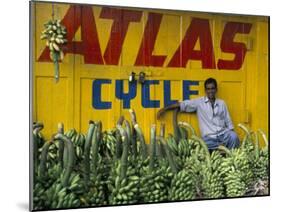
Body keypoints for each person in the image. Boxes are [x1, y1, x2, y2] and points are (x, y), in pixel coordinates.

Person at [157, 78, 240, 150]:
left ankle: (229, 158)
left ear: (216, 89)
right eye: (208, 89)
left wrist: (232, 133)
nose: (210, 91)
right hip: (209, 138)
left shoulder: (222, 103)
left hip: (223, 135)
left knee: (234, 137)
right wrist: (164, 109)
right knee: (198, 146)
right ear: (205, 90)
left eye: (212, 88)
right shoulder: (199, 103)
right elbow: (182, 104)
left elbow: (228, 121)